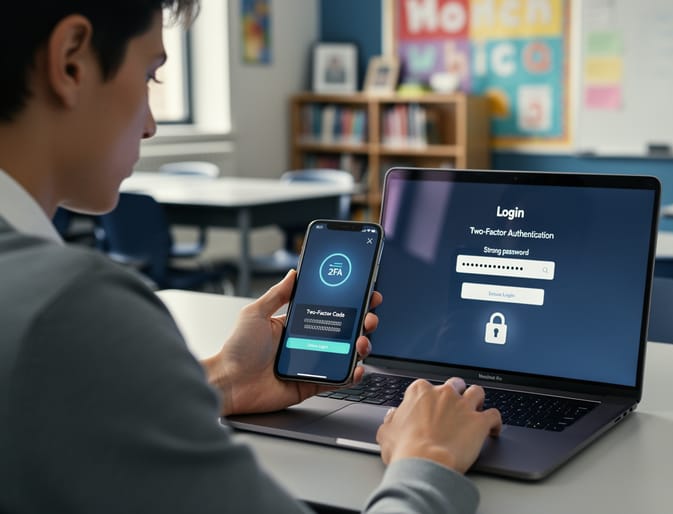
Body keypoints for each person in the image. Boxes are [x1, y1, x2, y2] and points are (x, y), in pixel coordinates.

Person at [0, 1, 502, 513]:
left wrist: (223, 381)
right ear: (71, 63)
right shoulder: (70, 312)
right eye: (152, 75)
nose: (150, 124)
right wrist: (428, 460)